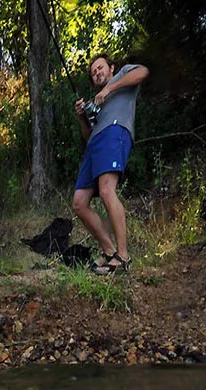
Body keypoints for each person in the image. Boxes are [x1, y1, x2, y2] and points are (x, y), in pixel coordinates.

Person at [72, 55, 149, 274]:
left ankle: (123, 257)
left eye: (100, 68)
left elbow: (143, 71)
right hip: (94, 144)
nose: (97, 73)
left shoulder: (124, 74)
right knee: (79, 202)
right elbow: (87, 135)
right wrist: (81, 117)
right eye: (94, 73)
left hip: (115, 132)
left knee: (107, 190)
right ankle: (109, 252)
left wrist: (108, 89)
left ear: (111, 68)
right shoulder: (97, 103)